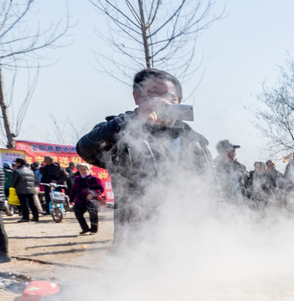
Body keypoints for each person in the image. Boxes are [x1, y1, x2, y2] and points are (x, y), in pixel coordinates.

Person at [76, 68, 211, 241]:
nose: (161, 103)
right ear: (137, 97)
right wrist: (133, 121)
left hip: (189, 239)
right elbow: (85, 149)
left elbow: (212, 188)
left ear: (179, 102)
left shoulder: (195, 141)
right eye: (152, 95)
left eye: (170, 98)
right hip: (136, 241)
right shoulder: (120, 131)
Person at [69, 163, 104, 235]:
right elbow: (74, 189)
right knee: (78, 213)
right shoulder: (77, 179)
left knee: (93, 214)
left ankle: (93, 230)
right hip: (80, 200)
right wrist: (71, 200)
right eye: (80, 169)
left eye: (84, 169)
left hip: (91, 200)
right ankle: (85, 229)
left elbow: (101, 189)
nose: (82, 171)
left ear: (88, 170)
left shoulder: (94, 179)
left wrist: (93, 194)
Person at [12, 158, 40, 222]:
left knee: (24, 204)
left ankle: (26, 217)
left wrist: (15, 187)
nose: (15, 164)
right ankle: (36, 216)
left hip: (21, 190)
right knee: (32, 204)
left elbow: (13, 181)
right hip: (31, 189)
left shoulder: (17, 171)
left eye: (16, 163)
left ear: (19, 163)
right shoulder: (31, 171)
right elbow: (35, 180)